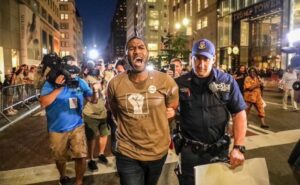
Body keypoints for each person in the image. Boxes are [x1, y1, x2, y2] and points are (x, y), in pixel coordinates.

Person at [107, 36, 179, 185]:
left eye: (141, 47)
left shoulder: (165, 81)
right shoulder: (114, 83)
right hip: (127, 152)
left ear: (147, 53)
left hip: (157, 152)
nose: (136, 51)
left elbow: (171, 110)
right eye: (131, 48)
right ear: (126, 54)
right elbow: (115, 113)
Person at [175, 39, 247, 185]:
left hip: (218, 151)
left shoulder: (227, 82)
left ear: (213, 59)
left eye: (206, 59)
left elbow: (239, 113)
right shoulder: (180, 83)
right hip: (190, 153)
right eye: (197, 59)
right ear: (191, 59)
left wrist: (238, 148)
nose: (201, 64)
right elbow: (168, 111)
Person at [40, 54, 100, 185]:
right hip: (57, 128)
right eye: (69, 66)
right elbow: (43, 102)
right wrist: (59, 87)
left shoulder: (80, 82)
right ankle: (62, 175)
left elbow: (93, 100)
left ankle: (79, 182)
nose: (72, 70)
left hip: (77, 125)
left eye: (74, 66)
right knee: (59, 157)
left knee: (80, 155)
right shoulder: (51, 82)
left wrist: (95, 91)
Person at [83, 74, 110, 171]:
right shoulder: (85, 80)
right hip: (91, 114)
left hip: (103, 113)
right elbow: (90, 98)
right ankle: (90, 159)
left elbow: (106, 93)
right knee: (91, 137)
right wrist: (94, 89)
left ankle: (101, 154)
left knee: (104, 134)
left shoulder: (104, 78)